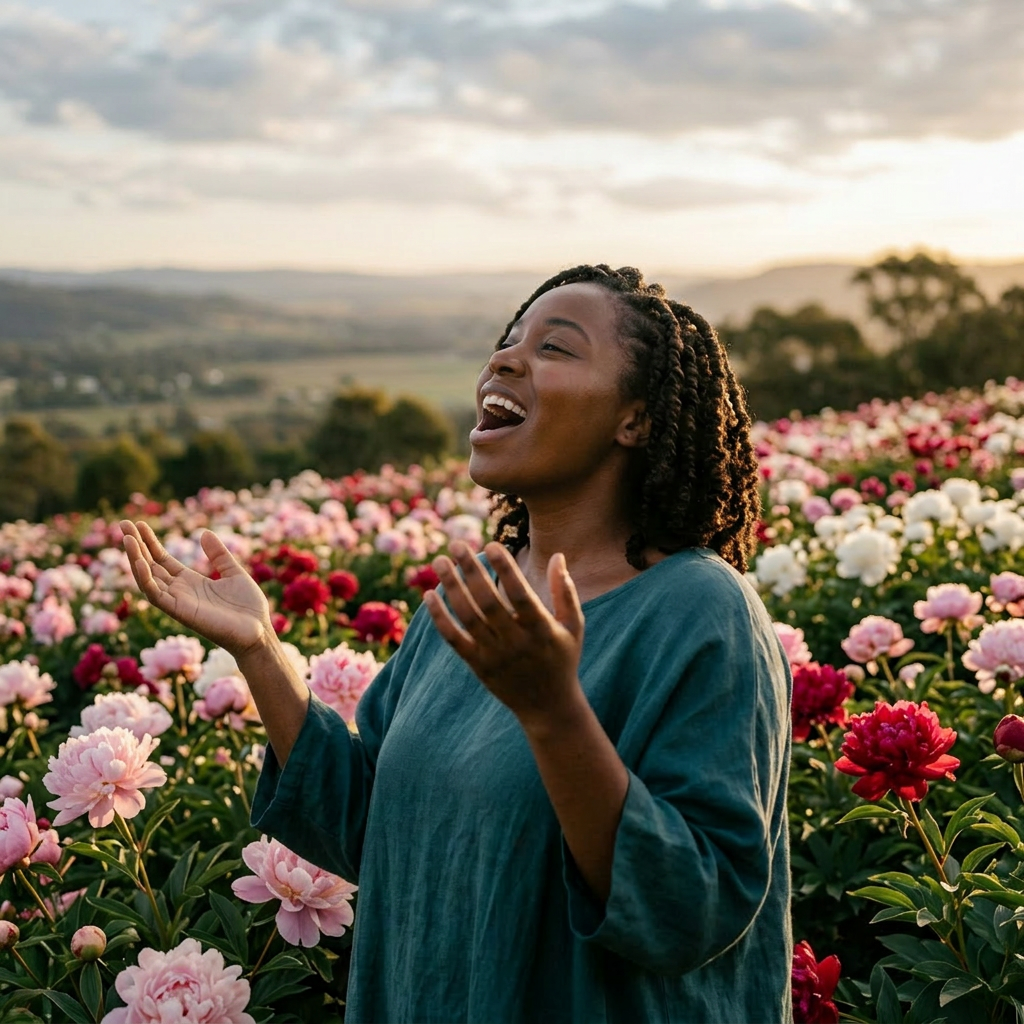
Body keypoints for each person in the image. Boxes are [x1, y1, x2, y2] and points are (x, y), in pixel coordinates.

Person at [120, 264, 793, 1023]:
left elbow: (693, 908)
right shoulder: (468, 605)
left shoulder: (701, 612)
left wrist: (554, 713)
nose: (504, 361)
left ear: (634, 418)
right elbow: (370, 830)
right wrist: (261, 650)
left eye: (556, 348)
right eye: (506, 343)